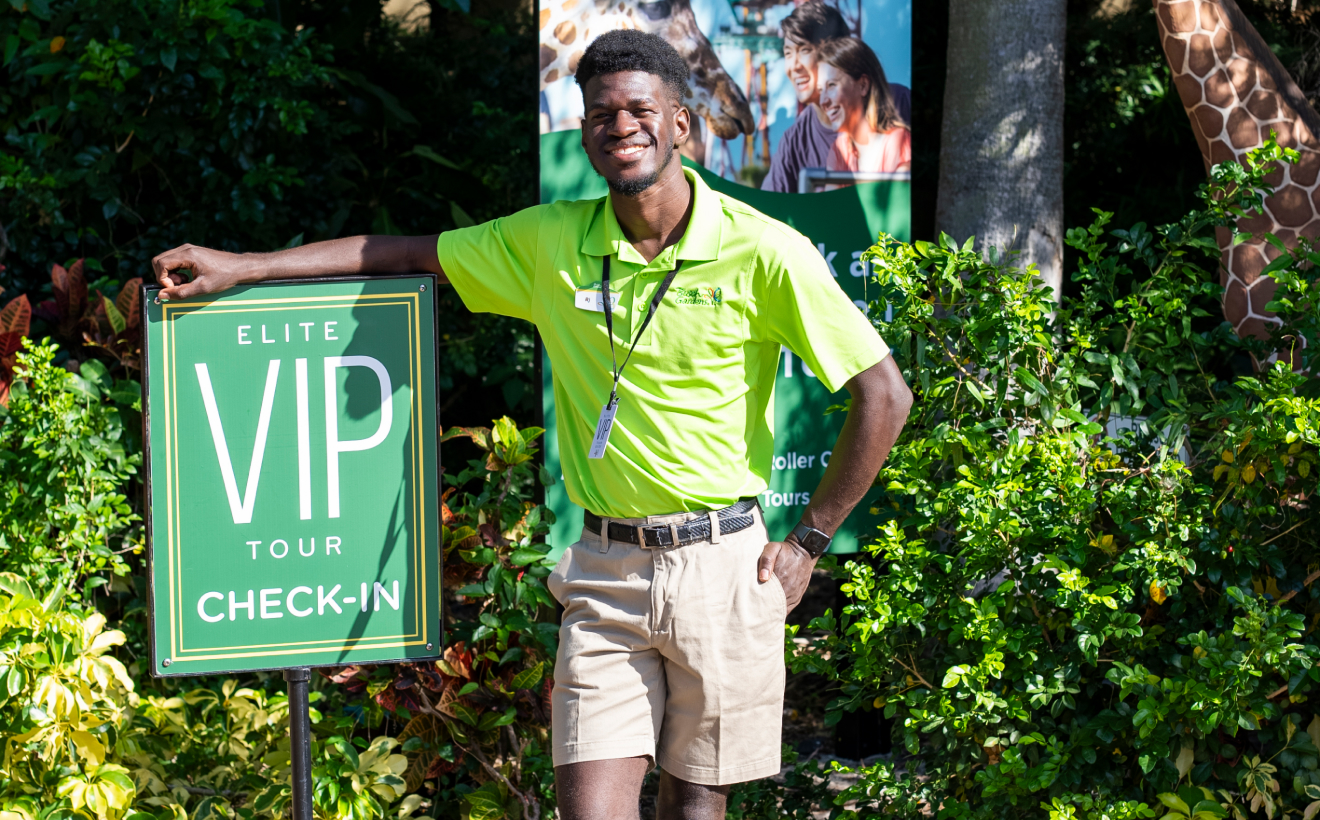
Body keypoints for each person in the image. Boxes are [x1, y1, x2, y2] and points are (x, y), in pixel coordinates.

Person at [151, 29, 912, 820]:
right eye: (601, 115)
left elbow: (883, 396)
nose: (621, 127)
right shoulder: (551, 242)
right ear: (584, 133)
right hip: (605, 573)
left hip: (723, 568)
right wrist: (247, 266)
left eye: (640, 110)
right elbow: (405, 254)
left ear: (682, 125)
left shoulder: (764, 252)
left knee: (694, 808)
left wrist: (808, 543)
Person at [760, 1, 910, 194]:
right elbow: (769, 209)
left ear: (836, 52)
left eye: (804, 50)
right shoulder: (796, 142)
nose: (794, 66)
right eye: (788, 53)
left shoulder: (899, 103)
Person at [817, 37, 911, 176]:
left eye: (831, 85)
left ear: (863, 85)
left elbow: (897, 197)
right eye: (820, 90)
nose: (822, 101)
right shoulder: (838, 150)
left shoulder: (898, 141)